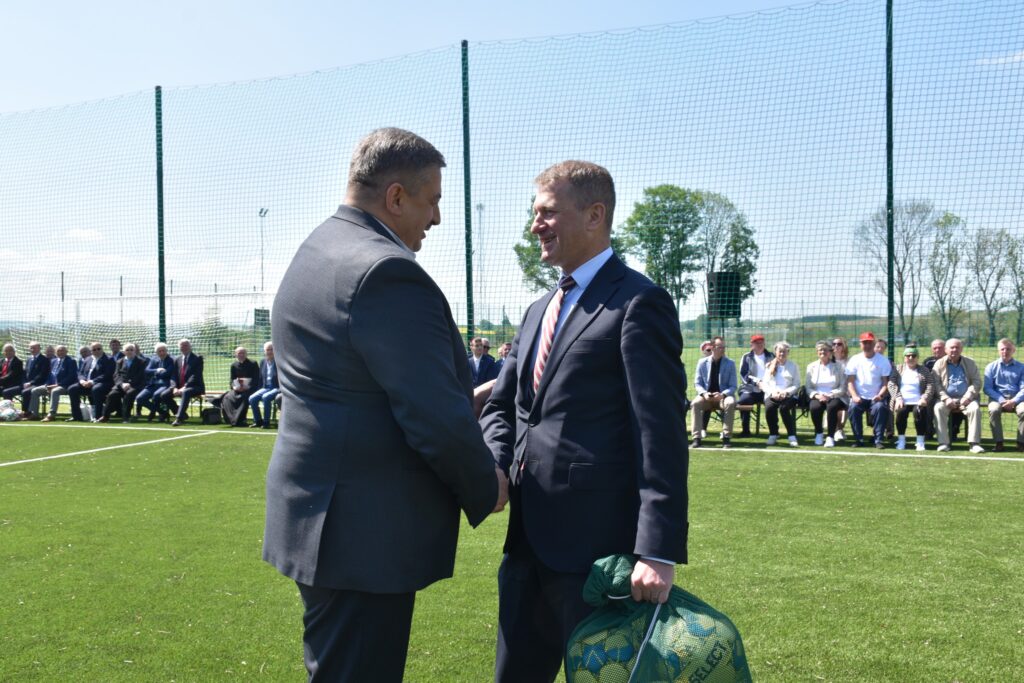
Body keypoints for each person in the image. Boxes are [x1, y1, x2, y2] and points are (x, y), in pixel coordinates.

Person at [263, 128, 507, 683]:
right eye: (434, 200)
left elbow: (360, 385)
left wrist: (457, 400)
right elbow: (432, 420)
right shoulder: (385, 270)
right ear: (396, 197)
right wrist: (485, 483)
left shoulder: (317, 249)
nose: (437, 218)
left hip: (323, 515)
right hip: (362, 529)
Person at [479, 160, 688, 682]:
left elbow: (659, 433)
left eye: (548, 212)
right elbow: (505, 407)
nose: (535, 225)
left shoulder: (639, 303)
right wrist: (497, 463)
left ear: (595, 215)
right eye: (535, 213)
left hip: (599, 559)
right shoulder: (535, 311)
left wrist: (657, 550)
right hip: (526, 547)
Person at [932, 338, 984, 453]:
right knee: (938, 408)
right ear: (946, 350)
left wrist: (968, 397)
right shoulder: (939, 363)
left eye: (957, 347)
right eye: (952, 347)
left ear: (961, 349)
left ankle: (974, 444)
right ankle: (944, 443)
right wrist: (946, 399)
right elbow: (936, 383)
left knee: (974, 409)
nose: (954, 350)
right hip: (946, 399)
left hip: (966, 399)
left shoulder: (970, 362)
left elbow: (977, 382)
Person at [845, 332, 893, 448]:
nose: (867, 345)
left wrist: (880, 395)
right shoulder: (854, 360)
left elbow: (885, 383)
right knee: (853, 408)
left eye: (869, 343)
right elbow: (850, 382)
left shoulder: (883, 361)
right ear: (860, 344)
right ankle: (858, 439)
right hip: (859, 397)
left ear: (874, 343)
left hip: (876, 397)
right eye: (864, 343)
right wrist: (855, 396)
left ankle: (878, 440)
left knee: (880, 407)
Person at [690, 336, 737, 449]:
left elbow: (733, 385)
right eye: (720, 347)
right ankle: (696, 438)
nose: (723, 349)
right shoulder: (702, 363)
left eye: (723, 347)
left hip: (723, 397)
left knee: (730, 402)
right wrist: (704, 393)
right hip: (706, 397)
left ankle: (726, 438)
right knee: (695, 403)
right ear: (712, 348)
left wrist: (723, 395)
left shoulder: (730, 363)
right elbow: (697, 383)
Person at [888, 346, 936, 451]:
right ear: (904, 357)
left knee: (920, 412)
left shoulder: (924, 369)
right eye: (908, 355)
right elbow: (891, 384)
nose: (910, 358)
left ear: (917, 357)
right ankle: (901, 440)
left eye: (913, 355)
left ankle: (920, 441)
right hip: (902, 400)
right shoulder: (898, 368)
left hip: (918, 400)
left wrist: (925, 398)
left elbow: (930, 384)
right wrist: (898, 398)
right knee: (900, 412)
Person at [982, 338, 1024, 452]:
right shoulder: (991, 367)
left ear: (1014, 350)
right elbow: (987, 388)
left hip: (1018, 399)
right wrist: (1001, 400)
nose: (1005, 351)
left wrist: (1014, 401)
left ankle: (1021, 443)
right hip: (997, 398)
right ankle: (998, 442)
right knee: (994, 410)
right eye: (1002, 349)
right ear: (998, 350)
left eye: (1008, 349)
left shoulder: (1022, 367)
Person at [805, 340, 846, 447]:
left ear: (830, 352)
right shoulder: (811, 366)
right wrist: (817, 395)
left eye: (825, 350)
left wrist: (830, 395)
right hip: (817, 396)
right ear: (817, 352)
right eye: (820, 350)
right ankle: (819, 433)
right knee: (814, 407)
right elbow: (808, 387)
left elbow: (843, 387)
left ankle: (830, 437)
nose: (823, 352)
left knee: (832, 407)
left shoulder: (839, 366)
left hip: (835, 396)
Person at [759, 341, 800, 446]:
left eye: (784, 351)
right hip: (772, 394)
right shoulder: (769, 366)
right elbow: (764, 384)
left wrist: (785, 392)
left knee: (784, 408)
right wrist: (773, 393)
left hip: (788, 395)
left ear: (788, 352)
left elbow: (796, 384)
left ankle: (791, 436)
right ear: (775, 352)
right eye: (780, 351)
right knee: (769, 407)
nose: (782, 354)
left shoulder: (793, 366)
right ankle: (773, 434)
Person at [99, 343, 147, 422]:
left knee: (129, 394)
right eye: (127, 350)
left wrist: (129, 383)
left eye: (131, 350)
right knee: (111, 395)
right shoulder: (119, 361)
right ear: (124, 352)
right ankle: (105, 416)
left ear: (135, 351)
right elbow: (116, 375)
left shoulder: (142, 362)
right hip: (121, 385)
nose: (129, 351)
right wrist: (122, 384)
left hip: (135, 385)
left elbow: (141, 376)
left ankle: (126, 417)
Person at [737, 334, 773, 437]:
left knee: (772, 403)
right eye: (757, 343)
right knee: (743, 401)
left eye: (762, 342)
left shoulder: (771, 356)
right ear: (752, 344)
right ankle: (745, 430)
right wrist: (756, 382)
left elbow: (776, 373)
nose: (760, 344)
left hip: (768, 388)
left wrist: (766, 385)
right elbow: (744, 375)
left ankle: (773, 431)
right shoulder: (746, 357)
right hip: (750, 388)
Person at [68, 342, 115, 422]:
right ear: (91, 351)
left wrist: (92, 382)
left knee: (96, 389)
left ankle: (98, 417)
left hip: (103, 383)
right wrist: (82, 381)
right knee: (72, 389)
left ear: (102, 349)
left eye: (98, 349)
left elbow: (107, 374)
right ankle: (77, 416)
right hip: (86, 384)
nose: (96, 351)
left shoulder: (109, 359)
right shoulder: (87, 359)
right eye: (94, 349)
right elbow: (80, 373)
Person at [220, 346, 260, 427]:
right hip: (237, 389)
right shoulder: (234, 365)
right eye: (239, 353)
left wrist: (247, 387)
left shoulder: (253, 363)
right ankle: (231, 419)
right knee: (227, 397)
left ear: (246, 354)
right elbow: (232, 380)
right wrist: (234, 387)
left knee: (244, 397)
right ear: (236, 355)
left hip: (250, 389)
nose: (241, 355)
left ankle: (241, 420)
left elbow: (257, 379)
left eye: (243, 353)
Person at [135, 343, 176, 422]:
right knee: (139, 398)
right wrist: (157, 370)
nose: (162, 353)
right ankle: (162, 412)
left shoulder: (172, 360)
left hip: (165, 385)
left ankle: (153, 413)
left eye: (163, 351)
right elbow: (147, 370)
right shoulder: (154, 359)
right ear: (156, 352)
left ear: (167, 351)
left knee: (156, 395)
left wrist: (156, 373)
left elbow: (167, 373)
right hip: (153, 384)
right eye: (159, 351)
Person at [170, 339, 204, 427]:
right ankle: (180, 414)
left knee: (186, 392)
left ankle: (179, 418)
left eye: (186, 345)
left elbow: (195, 376)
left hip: (195, 386)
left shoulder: (197, 358)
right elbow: (173, 375)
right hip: (178, 387)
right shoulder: (177, 359)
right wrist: (174, 388)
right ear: (179, 348)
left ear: (190, 346)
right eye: (182, 346)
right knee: (163, 394)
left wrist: (184, 387)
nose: (184, 347)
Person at [40, 345, 79, 422]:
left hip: (65, 386)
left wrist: (56, 385)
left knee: (55, 391)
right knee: (35, 391)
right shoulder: (53, 361)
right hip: (52, 385)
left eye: (62, 350)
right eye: (58, 351)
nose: (60, 352)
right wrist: (47, 384)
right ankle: (33, 414)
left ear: (67, 352)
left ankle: (51, 414)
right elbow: (49, 375)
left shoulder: (71, 361)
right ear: (55, 352)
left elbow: (71, 377)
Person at [249, 341, 279, 429]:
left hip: (277, 387)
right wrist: (259, 389)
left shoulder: (279, 361)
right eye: (267, 350)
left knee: (265, 397)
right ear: (264, 351)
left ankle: (266, 422)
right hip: (266, 387)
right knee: (252, 398)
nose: (269, 352)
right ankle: (258, 421)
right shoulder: (262, 362)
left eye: (271, 349)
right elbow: (261, 378)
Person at [17, 342, 49, 418]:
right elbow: (24, 373)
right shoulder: (29, 359)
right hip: (27, 384)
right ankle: (7, 411)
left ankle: (26, 412)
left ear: (39, 349)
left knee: (25, 392)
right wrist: (24, 382)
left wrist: (30, 383)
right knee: (7, 391)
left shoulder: (44, 359)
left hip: (38, 384)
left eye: (34, 348)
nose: (32, 349)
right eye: (31, 348)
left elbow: (42, 375)